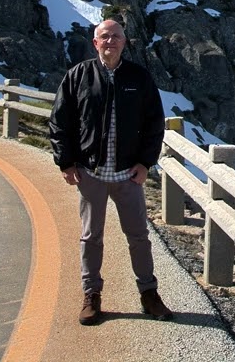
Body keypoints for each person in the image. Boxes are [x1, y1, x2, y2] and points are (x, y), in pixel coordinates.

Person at [48, 18, 174, 325]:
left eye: (116, 36)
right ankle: (91, 296)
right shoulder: (78, 75)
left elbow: (155, 124)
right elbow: (59, 120)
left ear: (124, 41)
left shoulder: (138, 77)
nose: (110, 41)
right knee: (91, 237)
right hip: (90, 173)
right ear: (95, 43)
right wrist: (65, 162)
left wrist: (146, 163)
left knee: (139, 236)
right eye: (104, 36)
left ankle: (149, 293)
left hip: (128, 174)